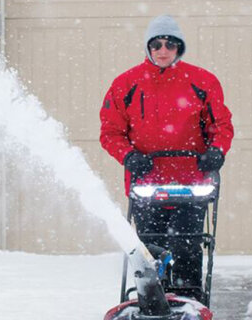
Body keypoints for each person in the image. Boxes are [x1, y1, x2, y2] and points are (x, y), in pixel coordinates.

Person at [99, 14, 233, 297]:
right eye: (157, 44)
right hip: (147, 182)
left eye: (170, 44)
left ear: (179, 48)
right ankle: (152, 298)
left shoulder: (202, 81)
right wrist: (129, 156)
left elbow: (221, 125)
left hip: (191, 183)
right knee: (149, 245)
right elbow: (110, 132)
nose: (163, 50)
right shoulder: (127, 84)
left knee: (187, 242)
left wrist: (216, 152)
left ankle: (189, 298)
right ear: (148, 47)